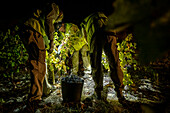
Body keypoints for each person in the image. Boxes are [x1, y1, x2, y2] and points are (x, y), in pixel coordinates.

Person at [19, 2, 63, 111]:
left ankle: (38, 93)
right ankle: (34, 100)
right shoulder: (54, 7)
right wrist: (51, 42)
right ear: (60, 15)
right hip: (33, 30)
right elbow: (49, 22)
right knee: (39, 66)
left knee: (35, 63)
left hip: (25, 28)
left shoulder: (41, 8)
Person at [80, 12, 126, 104]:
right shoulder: (102, 15)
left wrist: (90, 46)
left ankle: (98, 93)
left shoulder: (84, 22)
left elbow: (85, 37)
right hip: (111, 33)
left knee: (96, 64)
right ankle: (120, 93)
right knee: (115, 63)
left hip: (96, 34)